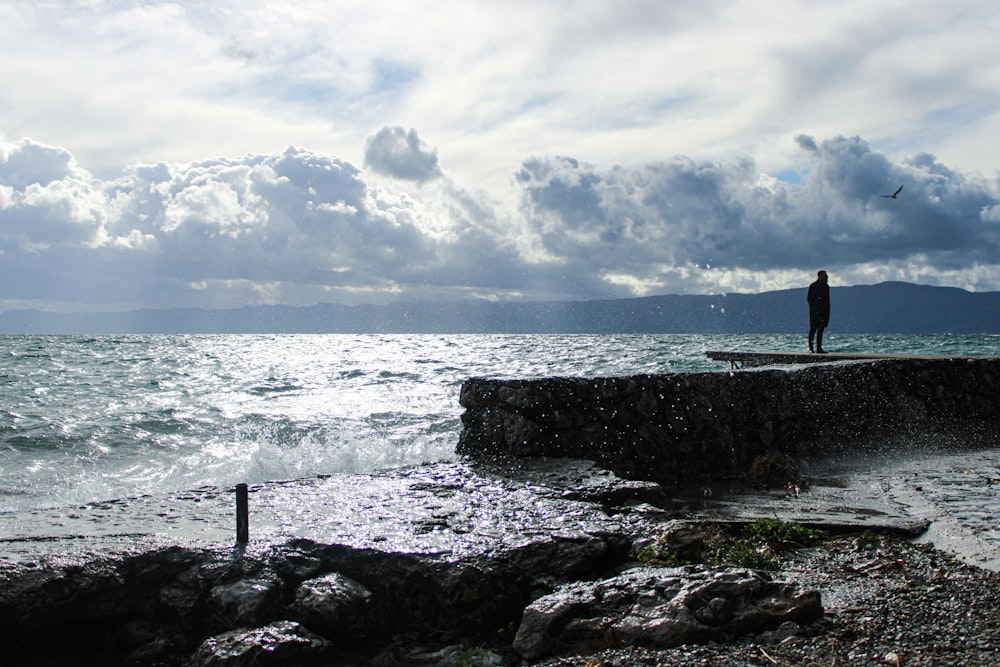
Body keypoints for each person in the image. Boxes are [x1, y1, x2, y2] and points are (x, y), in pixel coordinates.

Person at [807, 270, 830, 353]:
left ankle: (819, 348)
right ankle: (811, 348)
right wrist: (816, 308)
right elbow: (809, 299)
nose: (827, 277)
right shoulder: (813, 286)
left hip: (823, 313)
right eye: (825, 276)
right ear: (819, 276)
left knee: (820, 330)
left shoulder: (826, 287)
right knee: (813, 330)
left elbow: (827, 302)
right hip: (814, 312)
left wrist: (827, 314)